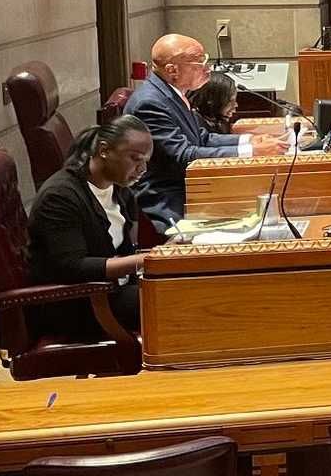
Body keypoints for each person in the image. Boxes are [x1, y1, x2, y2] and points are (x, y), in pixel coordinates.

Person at [125, 34, 287, 232]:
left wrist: (249, 141)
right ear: (172, 70)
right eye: (199, 62)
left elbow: (202, 138)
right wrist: (252, 152)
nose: (207, 68)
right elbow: (183, 156)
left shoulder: (172, 93)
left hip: (191, 190)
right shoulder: (150, 103)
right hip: (168, 201)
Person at [27, 115, 153, 330]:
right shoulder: (59, 197)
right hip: (82, 304)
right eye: (135, 159)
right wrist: (146, 260)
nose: (142, 169)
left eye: (145, 161)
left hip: (116, 290)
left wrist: (165, 253)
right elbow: (72, 267)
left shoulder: (119, 188)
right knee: (185, 302)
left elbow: (127, 248)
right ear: (104, 150)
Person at [188, 71, 240, 137]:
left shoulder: (213, 121)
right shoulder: (197, 127)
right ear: (212, 101)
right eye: (230, 101)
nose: (236, 105)